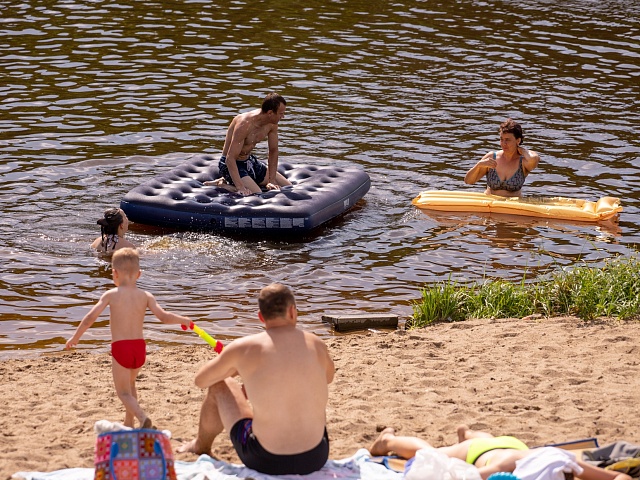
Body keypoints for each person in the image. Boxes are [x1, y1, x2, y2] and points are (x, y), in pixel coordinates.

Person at [177, 283, 335, 475]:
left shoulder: (245, 347)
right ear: (293, 312)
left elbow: (201, 380)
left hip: (266, 459)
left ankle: (200, 445)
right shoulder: (316, 344)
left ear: (261, 317)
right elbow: (328, 377)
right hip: (315, 456)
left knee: (219, 384)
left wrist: (234, 367)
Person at [65, 248, 192, 429]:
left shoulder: (111, 295)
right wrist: (183, 320)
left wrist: (75, 338)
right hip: (139, 348)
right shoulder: (146, 296)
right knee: (131, 385)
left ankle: (142, 417)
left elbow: (89, 318)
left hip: (121, 348)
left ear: (114, 273)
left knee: (123, 392)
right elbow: (164, 317)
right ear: (139, 274)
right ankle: (129, 422)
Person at [370, 425, 632, 480]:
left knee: (491, 441)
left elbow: (621, 478)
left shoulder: (559, 460)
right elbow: (465, 477)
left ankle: (468, 432)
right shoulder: (507, 467)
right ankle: (389, 440)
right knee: (430, 454)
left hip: (512, 444)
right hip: (478, 452)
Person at [204, 93, 292, 196]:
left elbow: (273, 151)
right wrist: (240, 187)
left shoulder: (272, 124)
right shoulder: (244, 124)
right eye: (281, 113)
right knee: (257, 194)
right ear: (270, 113)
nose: (283, 117)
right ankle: (222, 185)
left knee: (288, 186)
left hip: (249, 161)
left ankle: (239, 181)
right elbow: (230, 158)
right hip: (231, 164)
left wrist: (271, 181)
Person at [464, 118, 540, 197]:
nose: (504, 143)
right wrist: (478, 165)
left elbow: (534, 159)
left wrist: (523, 150)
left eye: (507, 140)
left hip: (513, 206)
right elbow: (468, 181)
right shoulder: (492, 157)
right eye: (501, 139)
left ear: (518, 140)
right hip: (490, 205)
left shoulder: (523, 162)